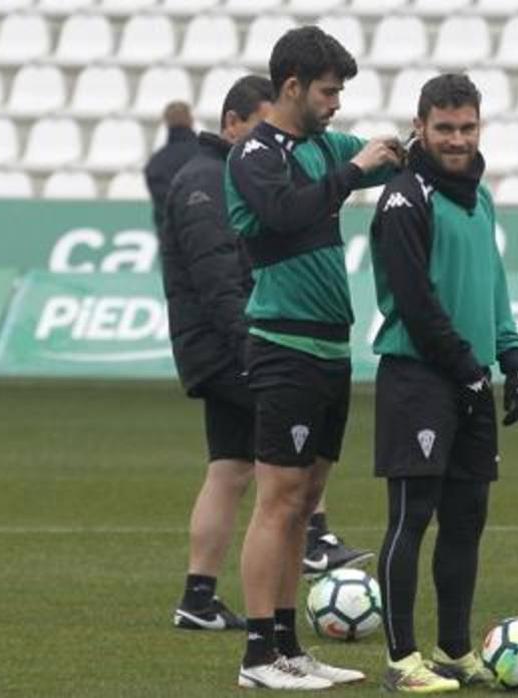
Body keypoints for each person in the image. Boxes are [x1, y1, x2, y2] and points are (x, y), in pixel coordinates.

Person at [224, 26, 402, 689]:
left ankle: (290, 647)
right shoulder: (254, 155)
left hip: (330, 348)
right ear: (292, 86)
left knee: (305, 502)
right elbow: (285, 211)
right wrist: (356, 171)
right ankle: (256, 655)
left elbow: (386, 158)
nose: (336, 104)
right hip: (283, 346)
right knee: (276, 500)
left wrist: (414, 145)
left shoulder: (326, 145)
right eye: (329, 91)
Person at [161, 75, 371, 634]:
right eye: (258, 124)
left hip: (219, 344)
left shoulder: (214, 174)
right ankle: (315, 543)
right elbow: (219, 277)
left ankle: (198, 597)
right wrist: (248, 347)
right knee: (288, 464)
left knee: (230, 469)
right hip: (233, 344)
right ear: (232, 123)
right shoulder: (208, 180)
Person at [370, 73, 518, 694]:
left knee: (466, 518)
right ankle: (402, 660)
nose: (457, 140)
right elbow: (415, 301)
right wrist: (466, 368)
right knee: (412, 517)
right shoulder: (406, 199)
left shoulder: (478, 197)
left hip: (469, 378)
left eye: (467, 128)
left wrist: (510, 354)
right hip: (418, 377)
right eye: (444, 129)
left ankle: (454, 652)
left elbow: (490, 282)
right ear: (420, 128)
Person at [146, 101, 199, 232]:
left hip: (172, 236)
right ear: (191, 120)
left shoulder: (156, 162)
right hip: (207, 234)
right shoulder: (208, 153)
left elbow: (161, 208)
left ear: (166, 122)